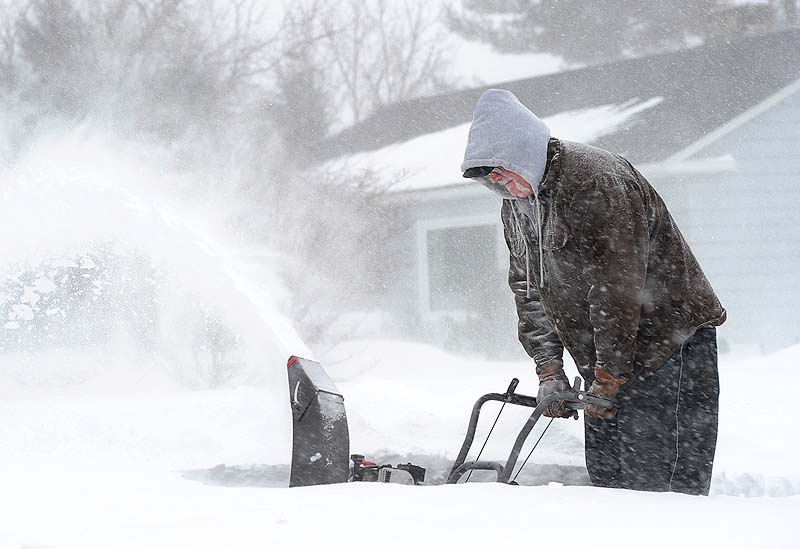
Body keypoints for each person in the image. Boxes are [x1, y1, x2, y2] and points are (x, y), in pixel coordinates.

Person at [461, 89, 726, 495]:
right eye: (489, 179)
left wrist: (608, 374)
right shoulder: (519, 202)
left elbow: (616, 287)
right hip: (607, 355)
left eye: (500, 171)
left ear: (523, 153)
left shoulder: (596, 181)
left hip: (666, 345)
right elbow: (530, 287)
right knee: (607, 480)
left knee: (660, 486)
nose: (498, 185)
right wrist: (549, 369)